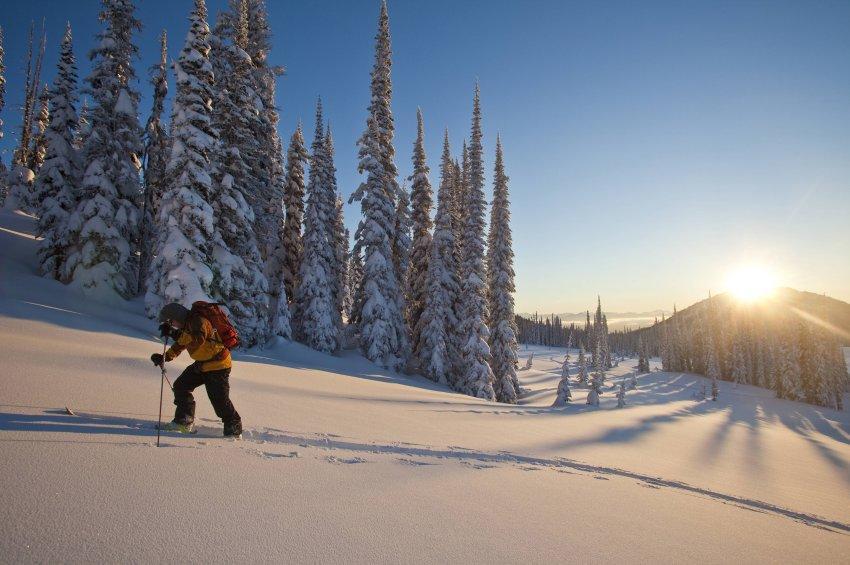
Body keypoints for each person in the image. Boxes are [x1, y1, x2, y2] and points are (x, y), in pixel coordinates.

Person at [151, 303, 243, 438]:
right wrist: (165, 357)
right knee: (181, 386)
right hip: (202, 364)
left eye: (172, 322)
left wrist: (174, 334)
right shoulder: (187, 325)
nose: (173, 325)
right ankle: (184, 420)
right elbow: (180, 345)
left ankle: (234, 427)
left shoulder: (198, 321)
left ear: (176, 317)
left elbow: (198, 340)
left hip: (218, 366)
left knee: (219, 399)